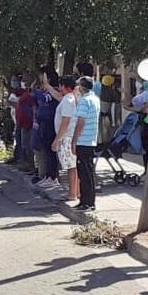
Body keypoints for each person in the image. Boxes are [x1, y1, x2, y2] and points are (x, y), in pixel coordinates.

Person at [73, 76, 100, 211]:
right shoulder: (94, 99)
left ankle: (87, 202)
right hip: (90, 140)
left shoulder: (85, 101)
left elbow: (81, 122)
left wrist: (74, 140)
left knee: (84, 173)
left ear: (81, 87)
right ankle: (87, 201)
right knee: (87, 172)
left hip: (83, 141)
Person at [50, 76, 79, 201]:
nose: (59, 88)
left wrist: (57, 139)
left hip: (67, 137)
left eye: (61, 85)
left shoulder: (68, 100)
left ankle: (72, 193)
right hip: (69, 136)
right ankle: (76, 192)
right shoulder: (69, 98)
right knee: (73, 166)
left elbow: (66, 121)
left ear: (66, 87)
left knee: (71, 166)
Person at [33, 67, 60, 188]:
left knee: (51, 152)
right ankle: (48, 176)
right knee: (46, 151)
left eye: (42, 76)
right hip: (43, 123)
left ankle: (53, 177)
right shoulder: (43, 90)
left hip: (50, 123)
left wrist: (44, 86)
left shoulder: (53, 91)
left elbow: (41, 98)